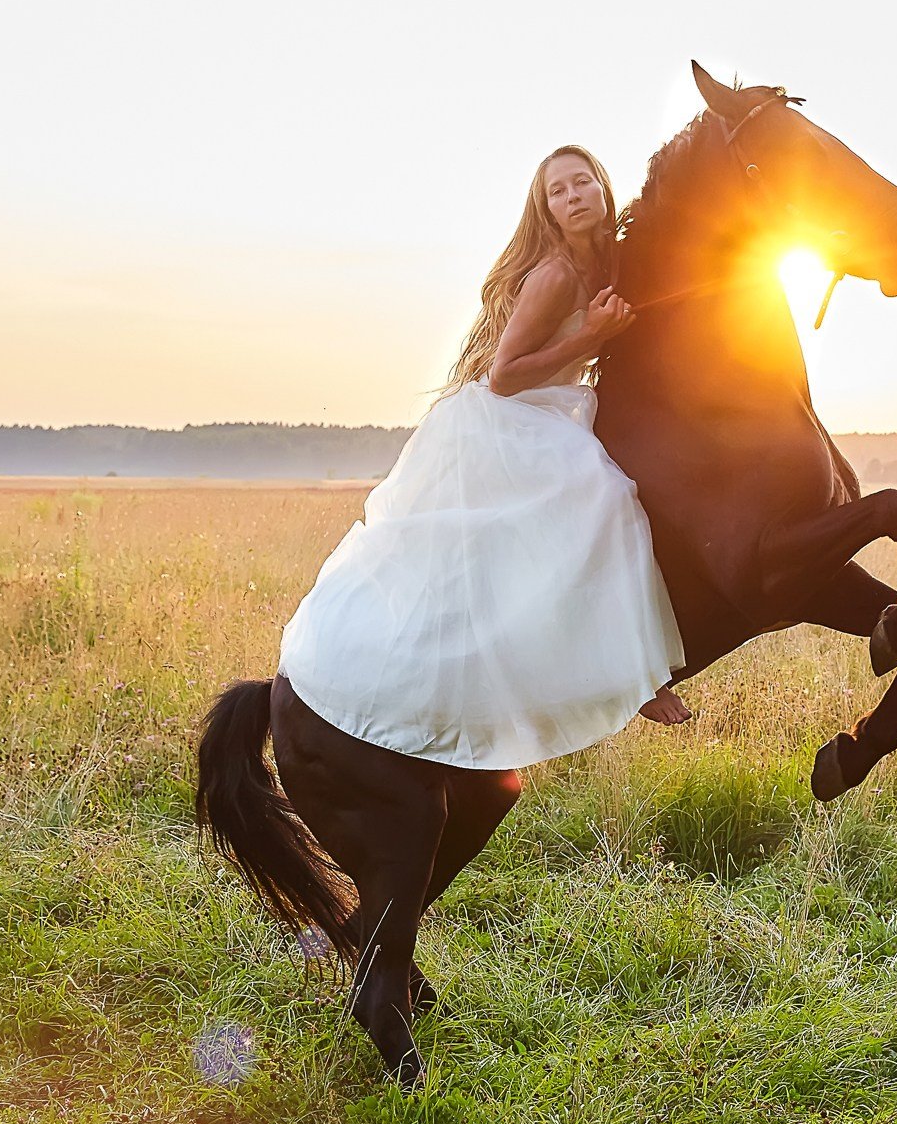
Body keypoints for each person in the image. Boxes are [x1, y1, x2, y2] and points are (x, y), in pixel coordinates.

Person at [276, 145, 690, 770]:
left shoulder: (612, 258)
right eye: (558, 191)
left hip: (556, 409)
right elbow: (503, 376)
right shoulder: (554, 275)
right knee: (603, 498)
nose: (573, 196)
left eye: (583, 183)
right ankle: (631, 679)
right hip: (509, 419)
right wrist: (591, 337)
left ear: (604, 191)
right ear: (546, 211)